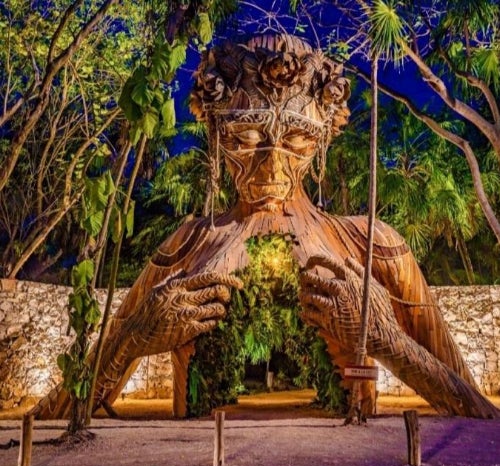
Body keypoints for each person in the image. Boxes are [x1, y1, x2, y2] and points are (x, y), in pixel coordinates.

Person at [32, 33, 499, 420]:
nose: (271, 164)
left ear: (321, 144)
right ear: (218, 137)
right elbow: (60, 410)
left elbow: (477, 410)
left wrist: (388, 341)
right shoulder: (189, 242)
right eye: (247, 138)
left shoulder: (373, 242)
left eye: (296, 141)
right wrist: (133, 335)